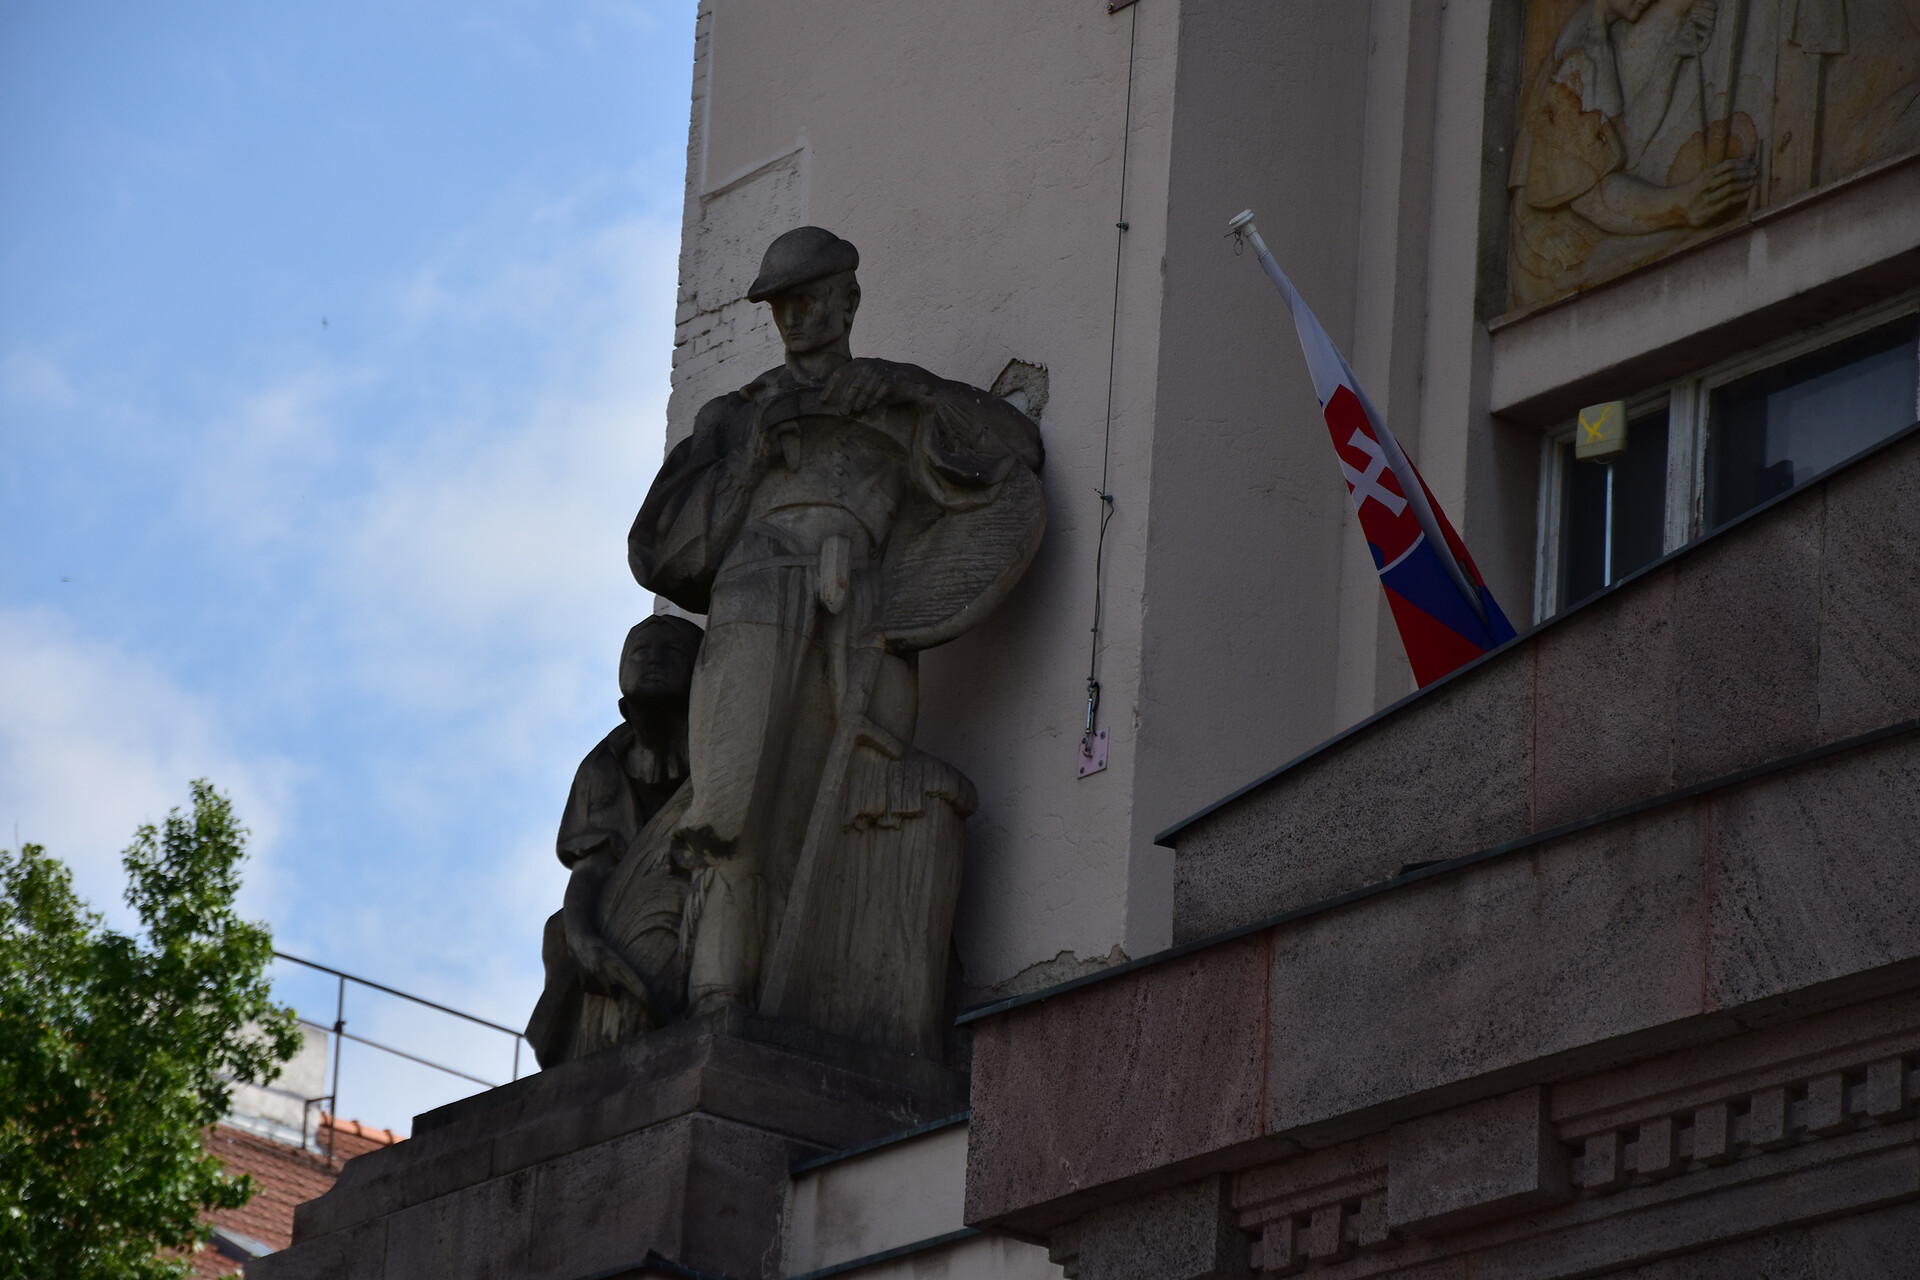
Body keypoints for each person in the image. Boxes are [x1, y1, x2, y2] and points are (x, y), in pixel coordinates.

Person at [629, 227, 1044, 1031]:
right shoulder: (738, 413)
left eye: (812, 297)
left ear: (849, 300)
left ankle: (824, 1000)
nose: (796, 316)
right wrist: (749, 457)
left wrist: (907, 391)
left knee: (843, 789)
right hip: (754, 589)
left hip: (860, 603)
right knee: (732, 803)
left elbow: (1013, 450)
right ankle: (719, 993)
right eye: (782, 303)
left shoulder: (892, 396)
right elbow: (658, 548)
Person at [525, 614, 703, 1068]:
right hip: (624, 893)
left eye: (671, 653)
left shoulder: (710, 745)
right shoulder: (603, 765)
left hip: (691, 881)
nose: (654, 662)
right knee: (559, 931)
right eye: (640, 653)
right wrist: (584, 940)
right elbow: (591, 870)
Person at [1510, 0, 1756, 304]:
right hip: (1554, 255)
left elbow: (1621, 147)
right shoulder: (1575, 56)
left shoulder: (1601, 38)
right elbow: (1591, 198)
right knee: (1716, 243)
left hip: (1593, 229)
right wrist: (1680, 204)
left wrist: (1670, 55)